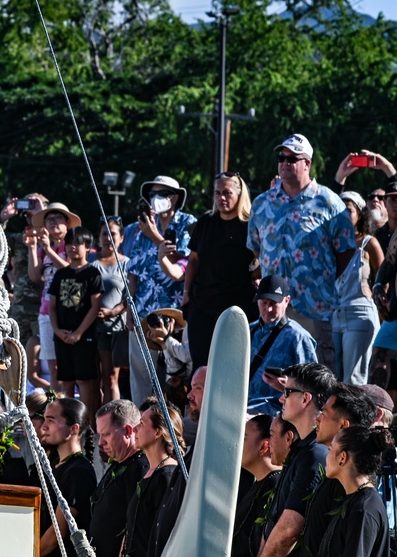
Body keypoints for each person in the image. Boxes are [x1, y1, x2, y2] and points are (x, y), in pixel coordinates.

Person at [248, 134, 356, 369]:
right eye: (282, 158)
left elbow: (346, 251)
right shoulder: (262, 204)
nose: (285, 163)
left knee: (316, 377)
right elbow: (255, 249)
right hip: (273, 307)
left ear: (307, 163)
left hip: (313, 306)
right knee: (273, 375)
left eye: (292, 158)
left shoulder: (330, 202)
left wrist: (321, 279)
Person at [253, 362, 334, 557]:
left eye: (287, 392)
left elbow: (290, 529)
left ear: (305, 399)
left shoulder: (314, 454)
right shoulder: (302, 452)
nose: (281, 399)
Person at [297, 383, 378, 557]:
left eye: (323, 413)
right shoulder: (342, 485)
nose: (317, 419)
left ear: (343, 425)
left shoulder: (358, 500)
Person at [301, 426, 393, 557]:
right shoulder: (353, 501)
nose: (326, 457)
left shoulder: (364, 509)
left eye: (330, 450)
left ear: (342, 457)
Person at [126, 175, 197, 405]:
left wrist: (155, 236)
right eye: (152, 195)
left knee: (174, 376)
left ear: (175, 198)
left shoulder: (188, 223)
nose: (155, 199)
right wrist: (129, 307)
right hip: (144, 311)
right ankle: (141, 428)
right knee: (142, 377)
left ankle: (172, 430)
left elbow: (185, 261)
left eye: (162, 194)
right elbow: (133, 270)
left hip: (174, 314)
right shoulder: (143, 225)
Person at [182, 171, 258, 368]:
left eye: (227, 193)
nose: (221, 198)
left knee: (231, 366)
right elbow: (193, 260)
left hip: (237, 307)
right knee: (201, 364)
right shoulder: (206, 221)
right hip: (202, 304)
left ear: (239, 194)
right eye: (217, 193)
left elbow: (262, 261)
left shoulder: (249, 225)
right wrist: (186, 292)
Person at [120, 397, 185, 557]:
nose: (135, 429)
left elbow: (163, 533)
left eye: (141, 424)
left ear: (158, 433)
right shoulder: (150, 472)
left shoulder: (168, 476)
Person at [48, 226, 102, 411]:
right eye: (69, 243)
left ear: (87, 247)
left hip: (84, 336)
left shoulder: (92, 274)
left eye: (77, 243)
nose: (72, 247)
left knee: (84, 381)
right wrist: (56, 330)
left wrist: (79, 333)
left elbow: (96, 306)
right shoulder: (60, 274)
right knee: (66, 380)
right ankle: (67, 421)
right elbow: (52, 306)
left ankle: (85, 424)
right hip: (61, 334)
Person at [332, 191, 383, 384]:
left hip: (359, 314)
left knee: (354, 380)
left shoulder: (370, 243)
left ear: (360, 214)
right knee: (330, 377)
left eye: (349, 210)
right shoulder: (330, 244)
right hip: (334, 315)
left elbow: (382, 279)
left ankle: (353, 416)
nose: (343, 215)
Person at [28, 202, 80, 392]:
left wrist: (49, 250)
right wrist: (33, 248)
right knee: (53, 367)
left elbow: (70, 271)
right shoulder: (44, 248)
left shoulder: (74, 245)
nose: (52, 222)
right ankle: (57, 407)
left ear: (67, 222)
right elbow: (34, 276)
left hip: (68, 311)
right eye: (49, 219)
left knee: (69, 364)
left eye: (57, 218)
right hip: (46, 310)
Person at [89, 399, 148, 557]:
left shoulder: (140, 467)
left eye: (106, 434)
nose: (100, 442)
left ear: (129, 431)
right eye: (100, 435)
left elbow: (134, 523)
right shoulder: (118, 463)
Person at [1, 194, 51, 388]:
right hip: (21, 308)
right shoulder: (21, 238)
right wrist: (3, 219)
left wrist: (42, 215)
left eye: (35, 203)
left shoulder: (52, 237)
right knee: (16, 360)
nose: (30, 208)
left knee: (44, 363)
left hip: (45, 308)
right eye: (27, 204)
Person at [250, 275, 319, 415]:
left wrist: (287, 388)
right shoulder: (247, 331)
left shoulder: (298, 337)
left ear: (286, 301)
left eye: (273, 304)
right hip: (238, 407)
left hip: (275, 414)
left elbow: (313, 389)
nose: (268, 309)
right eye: (264, 302)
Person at [38, 398, 97, 557]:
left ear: (73, 428)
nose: (43, 427)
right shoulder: (57, 466)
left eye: (51, 420)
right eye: (44, 419)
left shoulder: (78, 471)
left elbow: (58, 532)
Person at [231, 414, 282, 557]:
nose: (238, 443)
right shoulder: (260, 483)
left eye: (244, 438)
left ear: (264, 446)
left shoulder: (274, 484)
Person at [92, 218, 129, 403]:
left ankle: (112, 420)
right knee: (92, 381)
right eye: (104, 233)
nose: (108, 237)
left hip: (113, 329)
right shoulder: (90, 261)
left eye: (112, 233)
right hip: (89, 328)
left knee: (110, 378)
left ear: (121, 237)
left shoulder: (126, 264)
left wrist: (113, 312)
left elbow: (130, 298)